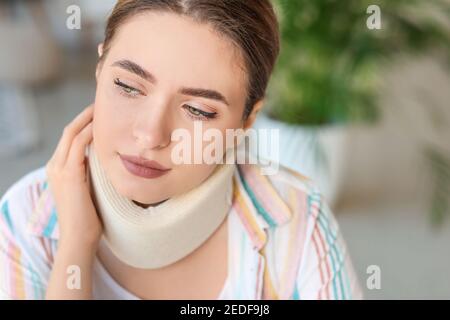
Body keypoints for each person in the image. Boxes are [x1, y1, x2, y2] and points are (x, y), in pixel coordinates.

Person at [0, 0, 362, 300]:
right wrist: (75, 244)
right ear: (99, 68)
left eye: (199, 110)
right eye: (128, 86)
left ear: (247, 119)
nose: (150, 134)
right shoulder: (23, 220)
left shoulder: (297, 219)